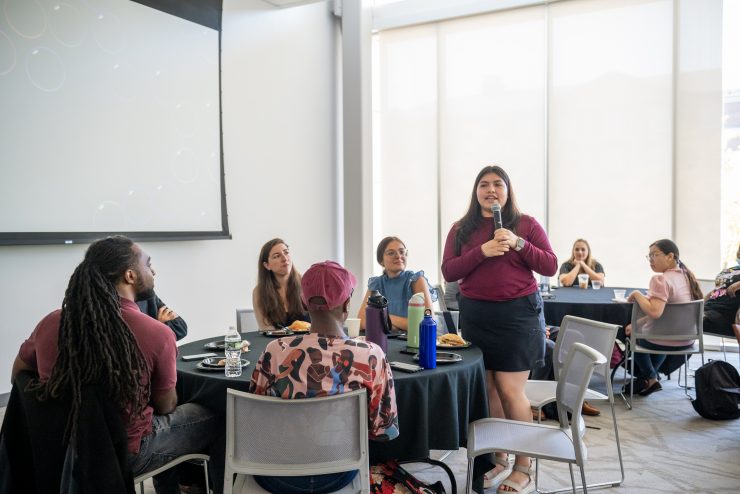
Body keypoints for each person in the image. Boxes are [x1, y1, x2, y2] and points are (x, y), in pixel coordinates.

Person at [10, 236, 223, 494]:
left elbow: (19, 376)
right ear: (130, 276)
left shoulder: (52, 323)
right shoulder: (157, 333)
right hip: (125, 452)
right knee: (216, 417)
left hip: (59, 450)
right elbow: (166, 406)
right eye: (148, 263)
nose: (153, 270)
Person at [441, 165, 557, 494]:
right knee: (487, 389)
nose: (491, 190)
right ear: (475, 191)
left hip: (517, 316)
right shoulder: (461, 229)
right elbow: (449, 270)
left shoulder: (526, 224)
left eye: (497, 184)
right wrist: (482, 252)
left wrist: (519, 244)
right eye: (484, 184)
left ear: (508, 191)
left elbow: (549, 264)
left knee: (509, 390)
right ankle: (498, 459)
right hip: (477, 315)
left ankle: (524, 466)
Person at [248, 260, 399, 494]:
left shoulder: (276, 351)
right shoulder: (370, 356)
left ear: (303, 302)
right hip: (339, 474)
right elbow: (383, 431)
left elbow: (255, 415)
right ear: (348, 304)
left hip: (276, 474)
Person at [623, 239, 703, 396]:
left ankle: (650, 378)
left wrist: (637, 294)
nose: (651, 259)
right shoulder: (687, 277)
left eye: (655, 254)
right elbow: (668, 313)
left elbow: (655, 312)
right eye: (649, 256)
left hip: (663, 341)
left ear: (670, 256)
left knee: (632, 335)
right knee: (646, 330)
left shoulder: (660, 279)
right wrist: (638, 323)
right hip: (687, 341)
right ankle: (650, 376)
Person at [357, 236, 435, 332]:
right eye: (391, 253)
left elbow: (428, 323)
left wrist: (385, 318)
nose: (398, 256)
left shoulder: (416, 280)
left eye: (402, 252)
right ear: (381, 261)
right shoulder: (376, 284)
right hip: (384, 340)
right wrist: (398, 324)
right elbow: (360, 322)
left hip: (414, 341)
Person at [252, 238, 309, 330]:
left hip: (308, 342)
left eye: (286, 253)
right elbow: (266, 329)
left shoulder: (307, 283)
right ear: (267, 265)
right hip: (275, 342)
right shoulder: (259, 292)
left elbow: (319, 323)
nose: (284, 258)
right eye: (277, 256)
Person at [703, 244, 740, 344]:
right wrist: (699, 303)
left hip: (723, 316)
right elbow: (717, 290)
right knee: (681, 316)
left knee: (682, 321)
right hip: (708, 309)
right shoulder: (731, 270)